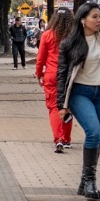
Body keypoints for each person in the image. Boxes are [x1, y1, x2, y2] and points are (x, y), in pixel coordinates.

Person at [54, 2, 100, 201]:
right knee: (93, 133)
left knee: (97, 139)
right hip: (80, 93)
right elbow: (61, 75)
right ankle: (90, 181)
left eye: (99, 16)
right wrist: (61, 104)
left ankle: (84, 181)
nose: (99, 20)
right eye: (94, 17)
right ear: (83, 20)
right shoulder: (69, 43)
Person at [35, 9, 75, 154]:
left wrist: (39, 74)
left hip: (52, 75)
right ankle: (67, 139)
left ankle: (58, 139)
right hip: (70, 76)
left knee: (54, 107)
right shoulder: (74, 36)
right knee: (68, 106)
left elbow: (40, 59)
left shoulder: (47, 35)